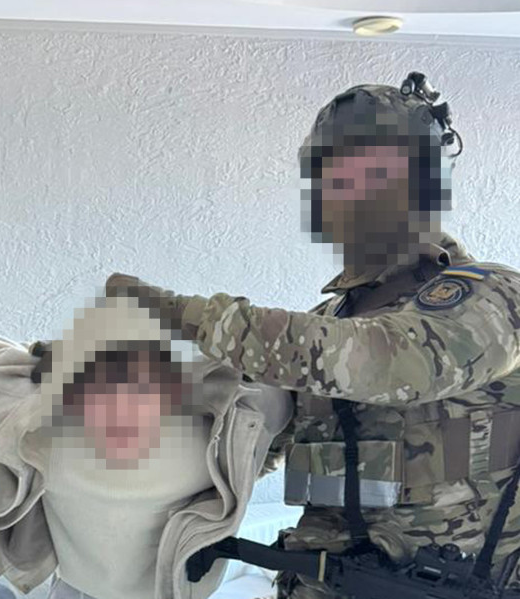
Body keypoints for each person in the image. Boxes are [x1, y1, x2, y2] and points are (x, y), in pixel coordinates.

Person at [104, 71, 520, 598]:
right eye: (331, 175)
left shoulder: (492, 296)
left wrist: (179, 314)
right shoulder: (328, 323)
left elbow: (394, 363)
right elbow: (242, 439)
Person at [0, 294, 293, 599]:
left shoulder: (51, 436)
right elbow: (275, 404)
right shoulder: (204, 441)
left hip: (87, 586)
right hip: (162, 589)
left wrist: (48, 355)